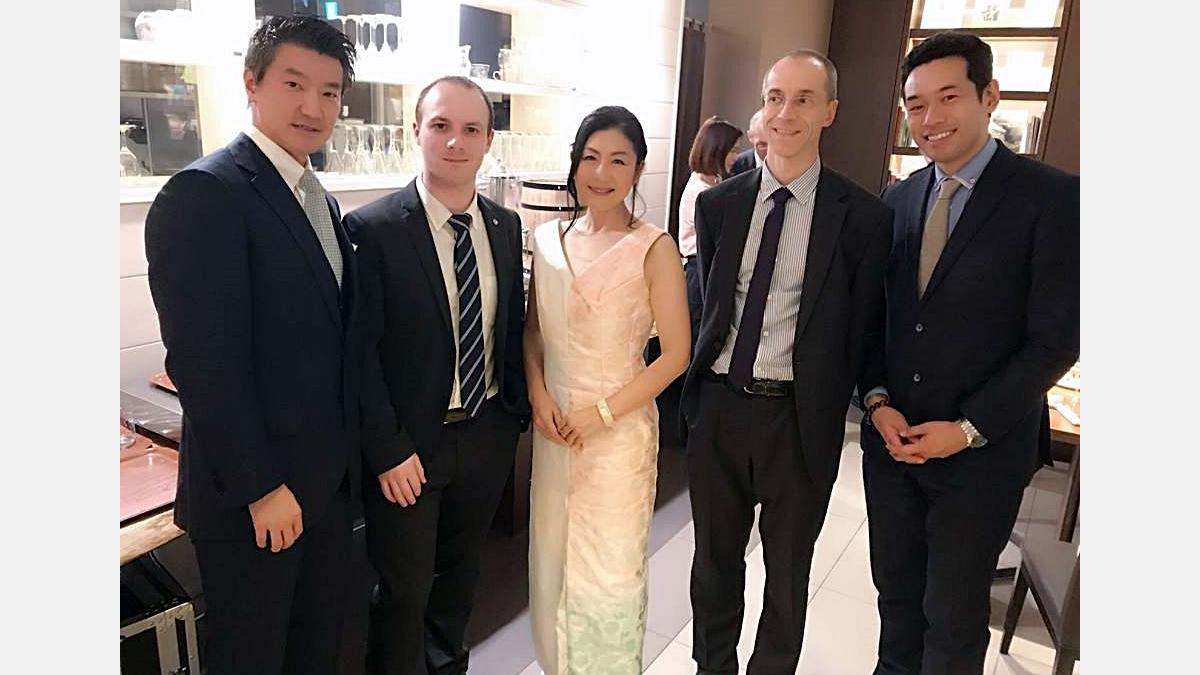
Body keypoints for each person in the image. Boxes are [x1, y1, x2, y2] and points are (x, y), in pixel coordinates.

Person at [144, 16, 359, 675]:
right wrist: (262, 486)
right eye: (294, 84)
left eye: (329, 91)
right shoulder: (207, 191)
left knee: (316, 653)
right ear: (252, 83)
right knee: (252, 658)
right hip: (256, 498)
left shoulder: (316, 197)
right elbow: (203, 363)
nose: (312, 106)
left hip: (323, 487)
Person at [859, 31, 1079, 675]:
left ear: (989, 97)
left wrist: (966, 429)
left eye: (948, 97)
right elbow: (878, 320)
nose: (930, 118)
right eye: (915, 104)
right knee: (896, 602)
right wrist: (876, 402)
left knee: (953, 620)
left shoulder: (1052, 198)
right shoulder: (898, 199)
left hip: (981, 456)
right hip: (893, 447)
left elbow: (1057, 339)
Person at [679, 49, 893, 674]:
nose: (785, 112)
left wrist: (874, 397)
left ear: (830, 111)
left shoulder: (864, 218)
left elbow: (866, 326)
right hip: (719, 408)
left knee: (788, 572)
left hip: (799, 419)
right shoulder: (719, 205)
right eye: (775, 97)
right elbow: (710, 308)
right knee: (713, 565)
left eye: (803, 99)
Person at [343, 76, 530, 675]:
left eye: (471, 129)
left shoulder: (504, 226)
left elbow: (509, 328)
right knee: (403, 592)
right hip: (409, 450)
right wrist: (387, 449)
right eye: (441, 126)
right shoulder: (373, 230)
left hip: (485, 432)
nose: (456, 141)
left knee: (461, 578)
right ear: (415, 131)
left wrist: (512, 418)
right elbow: (360, 356)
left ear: (488, 140)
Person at [524, 105, 690, 674]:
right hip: (554, 432)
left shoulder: (654, 247)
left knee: (607, 575)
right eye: (590, 158)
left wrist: (599, 414)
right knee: (551, 563)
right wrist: (539, 395)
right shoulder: (548, 241)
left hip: (617, 439)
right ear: (574, 165)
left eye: (618, 160)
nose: (601, 172)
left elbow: (676, 354)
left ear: (638, 170)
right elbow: (533, 333)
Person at [678, 116, 744, 346]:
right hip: (699, 270)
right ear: (717, 150)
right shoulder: (701, 192)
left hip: (705, 268)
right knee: (699, 340)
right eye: (732, 150)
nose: (736, 157)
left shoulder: (711, 184)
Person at [729, 109, 767, 175]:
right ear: (750, 136)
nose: (769, 150)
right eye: (763, 145)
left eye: (773, 144)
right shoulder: (734, 167)